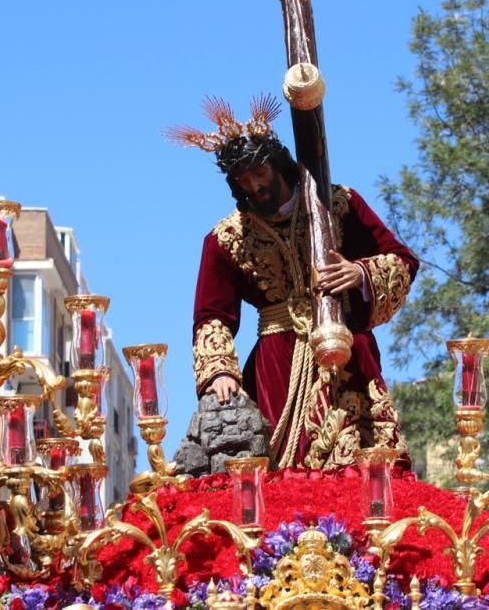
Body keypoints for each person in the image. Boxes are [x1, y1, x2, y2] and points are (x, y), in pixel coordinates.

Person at [169, 96, 418, 470]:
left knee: (360, 463)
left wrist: (360, 273)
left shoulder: (338, 204)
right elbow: (211, 314)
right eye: (243, 179)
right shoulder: (227, 238)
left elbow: (401, 259)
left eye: (259, 172)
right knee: (276, 467)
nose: (254, 186)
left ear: (277, 163)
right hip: (276, 365)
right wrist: (219, 370)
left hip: (344, 348)